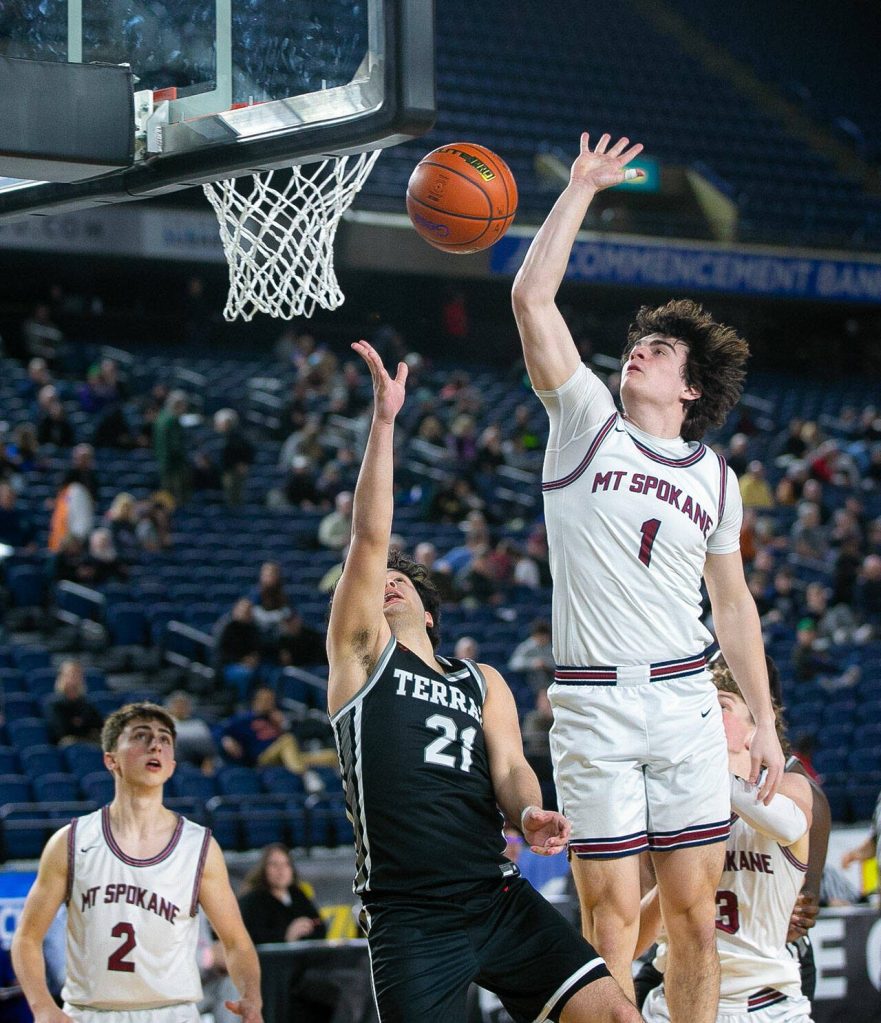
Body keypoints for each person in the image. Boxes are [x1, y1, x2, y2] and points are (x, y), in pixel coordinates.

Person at [511, 130, 784, 1019]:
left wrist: (766, 723)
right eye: (638, 343)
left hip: (683, 702)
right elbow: (530, 295)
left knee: (696, 920)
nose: (640, 351)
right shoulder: (583, 416)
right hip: (591, 703)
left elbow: (733, 605)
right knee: (610, 923)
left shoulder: (715, 478)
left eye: (661, 350)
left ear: (690, 388)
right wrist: (582, 189)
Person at [326, 339, 639, 1023]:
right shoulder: (358, 659)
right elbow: (367, 539)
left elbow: (510, 770)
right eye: (378, 580)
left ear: (430, 614)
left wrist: (528, 813)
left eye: (399, 581)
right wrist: (383, 424)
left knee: (617, 1014)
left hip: (494, 891)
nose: (384, 583)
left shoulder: (482, 679)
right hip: (409, 912)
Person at [11, 701, 262, 1023]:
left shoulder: (198, 846)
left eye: (164, 739)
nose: (155, 744)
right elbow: (27, 937)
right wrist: (42, 1006)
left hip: (174, 1013)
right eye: (141, 736)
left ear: (171, 764)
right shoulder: (70, 841)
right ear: (110, 759)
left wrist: (251, 997)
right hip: (92, 1014)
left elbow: (236, 942)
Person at [637, 666, 814, 1023]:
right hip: (675, 1006)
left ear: (756, 731)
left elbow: (789, 824)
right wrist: (676, 888)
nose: (703, 714)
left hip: (767, 1005)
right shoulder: (657, 806)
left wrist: (705, 773)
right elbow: (634, 940)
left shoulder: (790, 788)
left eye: (720, 705)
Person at [45, 660, 104, 747]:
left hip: (88, 741)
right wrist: (82, 725)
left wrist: (79, 723)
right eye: (71, 674)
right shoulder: (54, 704)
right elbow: (62, 731)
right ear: (62, 677)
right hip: (68, 746)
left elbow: (98, 725)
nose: (75, 678)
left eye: (78, 675)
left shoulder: (86, 704)